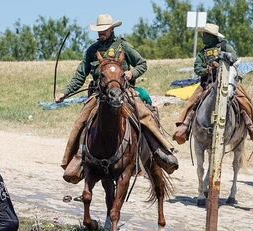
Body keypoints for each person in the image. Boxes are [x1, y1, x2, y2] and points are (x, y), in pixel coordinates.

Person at [57, 14, 178, 182]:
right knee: (81, 120)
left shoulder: (123, 46)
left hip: (124, 91)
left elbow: (142, 63)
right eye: (99, 31)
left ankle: (162, 151)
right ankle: (74, 160)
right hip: (99, 95)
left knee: (144, 115)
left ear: (112, 29)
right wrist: (65, 92)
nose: (101, 33)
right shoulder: (92, 50)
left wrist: (131, 73)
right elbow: (80, 76)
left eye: (104, 30)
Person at [172, 23, 253, 146]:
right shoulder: (202, 52)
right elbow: (197, 68)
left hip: (228, 80)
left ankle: (252, 125)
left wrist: (221, 62)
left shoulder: (225, 46)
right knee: (192, 101)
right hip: (208, 83)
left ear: (211, 36)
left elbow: (235, 59)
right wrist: (207, 69)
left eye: (205, 34)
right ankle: (185, 125)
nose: (203, 37)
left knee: (243, 98)